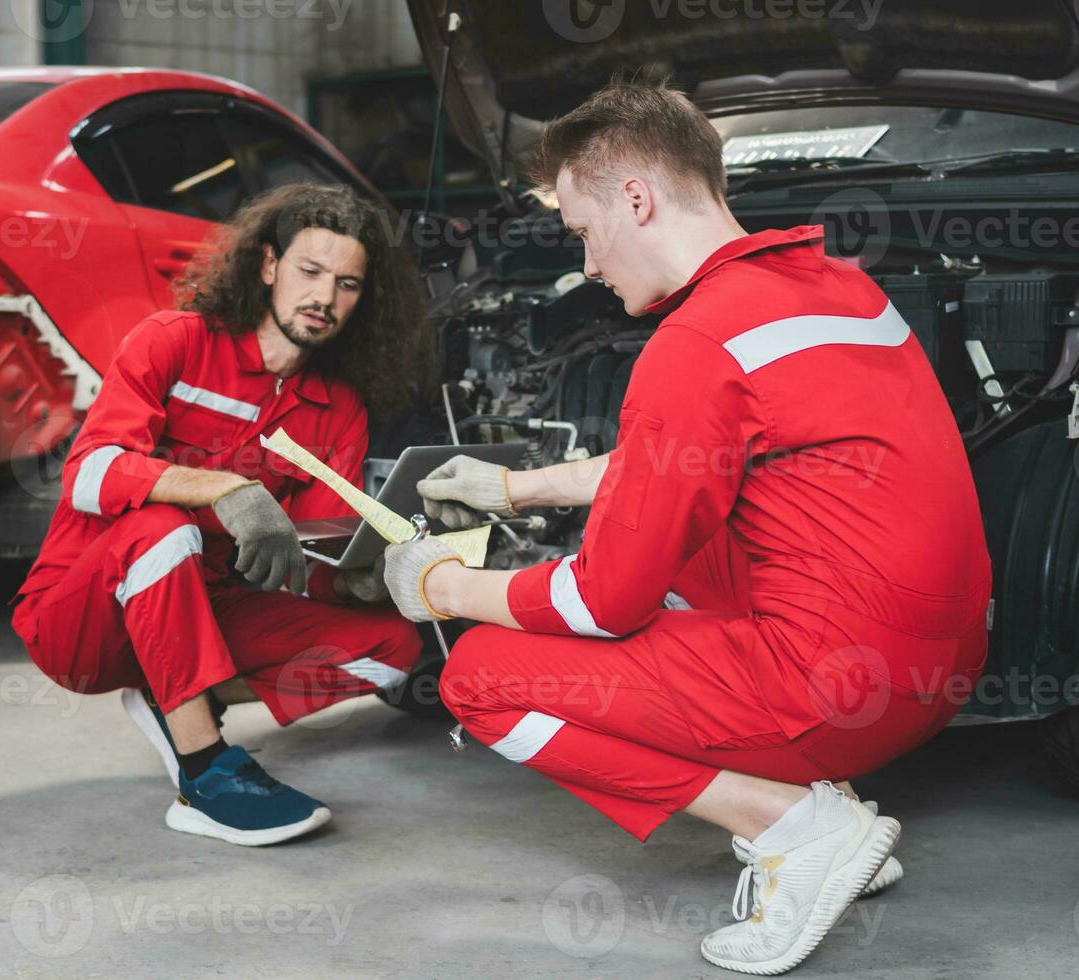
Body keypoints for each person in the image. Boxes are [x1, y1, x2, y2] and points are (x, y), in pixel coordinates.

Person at [382, 81, 991, 974]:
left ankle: (794, 823)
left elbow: (604, 603)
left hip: (837, 692)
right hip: (944, 670)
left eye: (585, 231)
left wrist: (445, 587)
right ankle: (823, 798)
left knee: (481, 675)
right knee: (684, 537)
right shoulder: (841, 287)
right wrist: (517, 487)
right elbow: (706, 467)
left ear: (636, 199)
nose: (588, 265)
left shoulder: (696, 343)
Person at [11, 183, 434, 847]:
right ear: (269, 266)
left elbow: (309, 554)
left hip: (212, 612)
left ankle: (183, 700)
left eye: (347, 284)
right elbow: (86, 476)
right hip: (82, 618)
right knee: (162, 526)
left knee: (395, 647)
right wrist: (219, 488)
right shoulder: (174, 342)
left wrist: (356, 579)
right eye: (310, 271)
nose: (325, 297)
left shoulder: (338, 405)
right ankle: (204, 776)